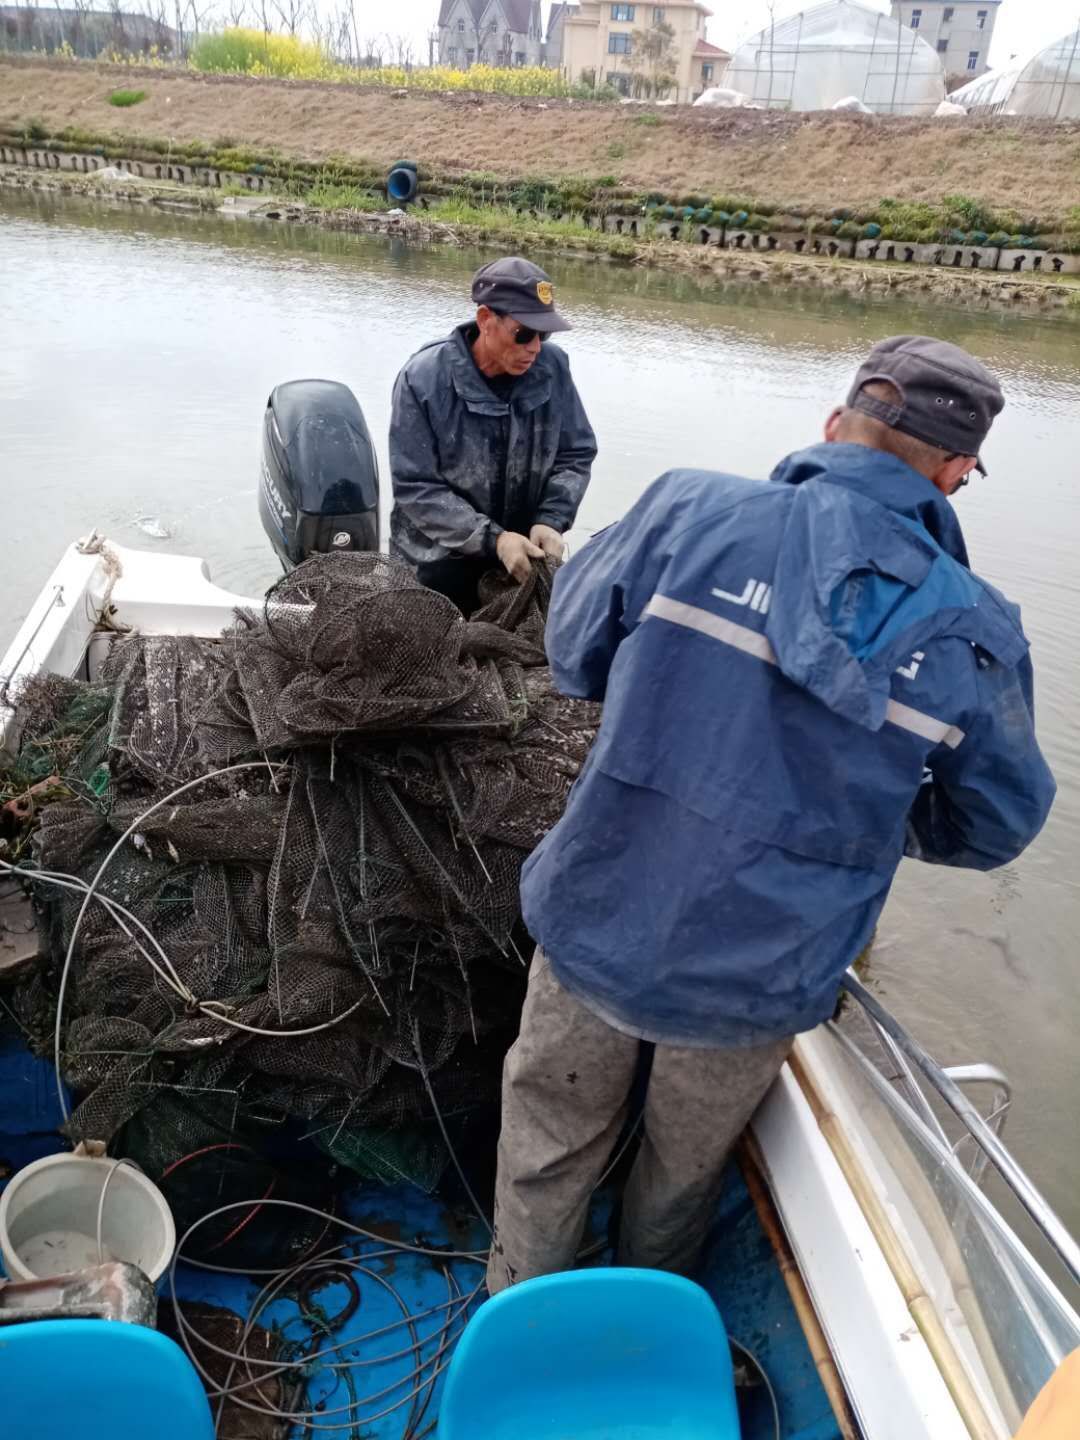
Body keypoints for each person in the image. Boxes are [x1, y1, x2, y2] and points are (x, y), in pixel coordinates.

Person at [486, 335, 1056, 1294]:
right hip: (762, 972)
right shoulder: (977, 630)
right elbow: (994, 824)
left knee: (547, 1138)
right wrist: (879, 821)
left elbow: (573, 654)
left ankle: (516, 1309)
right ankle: (643, 1322)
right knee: (681, 1176)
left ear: (835, 427)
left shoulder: (685, 510)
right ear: (957, 474)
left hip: (600, 916)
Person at [389, 256, 597, 613]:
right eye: (524, 333)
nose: (535, 347)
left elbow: (575, 454)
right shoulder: (422, 379)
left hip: (518, 570)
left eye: (543, 334)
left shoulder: (553, 367)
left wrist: (551, 519)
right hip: (434, 572)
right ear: (486, 320)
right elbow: (416, 488)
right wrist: (494, 539)